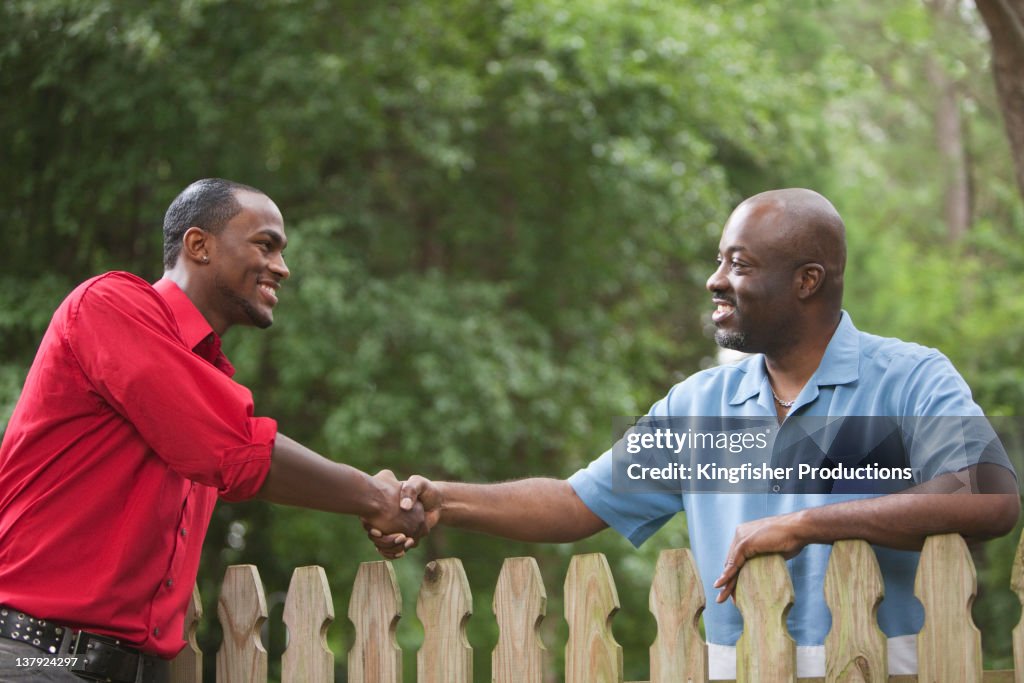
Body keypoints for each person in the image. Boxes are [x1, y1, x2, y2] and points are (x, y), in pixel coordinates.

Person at [369, 188, 1020, 678]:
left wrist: (811, 523)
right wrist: (445, 500)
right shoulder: (702, 405)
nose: (715, 280)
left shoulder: (909, 377)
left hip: (889, 666)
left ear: (807, 281)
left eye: (739, 263)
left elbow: (990, 501)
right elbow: (576, 503)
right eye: (719, 261)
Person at [0, 178, 425, 683]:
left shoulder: (207, 380)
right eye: (265, 244)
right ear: (198, 245)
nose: (282, 267)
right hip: (37, 658)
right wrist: (376, 498)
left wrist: (371, 497)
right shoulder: (108, 306)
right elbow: (236, 449)